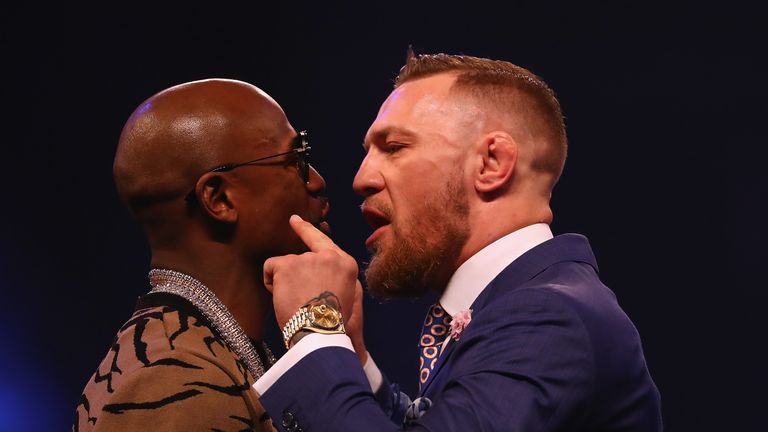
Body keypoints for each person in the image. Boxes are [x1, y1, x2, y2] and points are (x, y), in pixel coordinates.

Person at [254, 51, 663, 431]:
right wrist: (354, 357)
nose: (361, 179)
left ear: (492, 164)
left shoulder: (548, 316)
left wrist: (313, 329)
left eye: (393, 147)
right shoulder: (532, 304)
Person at [73, 78, 330, 431]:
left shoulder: (196, 356)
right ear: (219, 199)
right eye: (295, 159)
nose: (316, 181)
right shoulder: (176, 380)